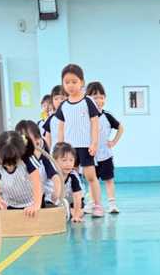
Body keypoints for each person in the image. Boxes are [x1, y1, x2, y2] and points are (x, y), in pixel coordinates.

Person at [54, 63, 103, 216]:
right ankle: (74, 206)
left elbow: (95, 123)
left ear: (82, 82)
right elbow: (60, 128)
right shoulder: (63, 105)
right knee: (71, 177)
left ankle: (97, 205)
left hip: (86, 146)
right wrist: (60, 147)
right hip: (69, 149)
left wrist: (94, 143)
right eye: (67, 82)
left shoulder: (88, 101)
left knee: (90, 176)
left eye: (74, 82)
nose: (70, 86)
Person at [86, 81, 124, 213]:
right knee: (92, 180)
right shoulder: (86, 117)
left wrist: (114, 141)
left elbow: (120, 127)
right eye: (95, 97)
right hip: (91, 155)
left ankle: (112, 203)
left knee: (108, 180)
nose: (99, 101)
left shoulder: (107, 115)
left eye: (101, 97)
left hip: (105, 155)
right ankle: (92, 202)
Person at [0, 130, 42, 215]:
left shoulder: (28, 158)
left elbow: (36, 180)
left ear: (21, 153)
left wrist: (36, 204)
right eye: (5, 164)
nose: (10, 167)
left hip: (31, 201)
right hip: (10, 203)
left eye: (15, 163)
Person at [16, 120, 61, 206]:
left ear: (37, 139)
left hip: (40, 200)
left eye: (26, 137)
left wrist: (57, 191)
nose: (23, 141)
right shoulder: (17, 159)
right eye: (20, 138)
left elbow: (55, 176)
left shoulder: (44, 159)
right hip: (20, 201)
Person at [52, 142, 85, 223]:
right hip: (58, 200)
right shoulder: (52, 175)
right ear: (54, 161)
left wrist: (76, 216)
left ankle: (68, 208)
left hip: (72, 200)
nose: (68, 164)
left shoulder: (73, 176)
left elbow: (77, 197)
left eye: (71, 160)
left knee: (79, 213)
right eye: (64, 160)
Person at [42, 85, 67, 151]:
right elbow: (48, 137)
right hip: (54, 152)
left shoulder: (70, 116)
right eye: (56, 99)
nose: (59, 101)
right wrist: (47, 152)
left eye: (62, 98)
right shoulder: (51, 119)